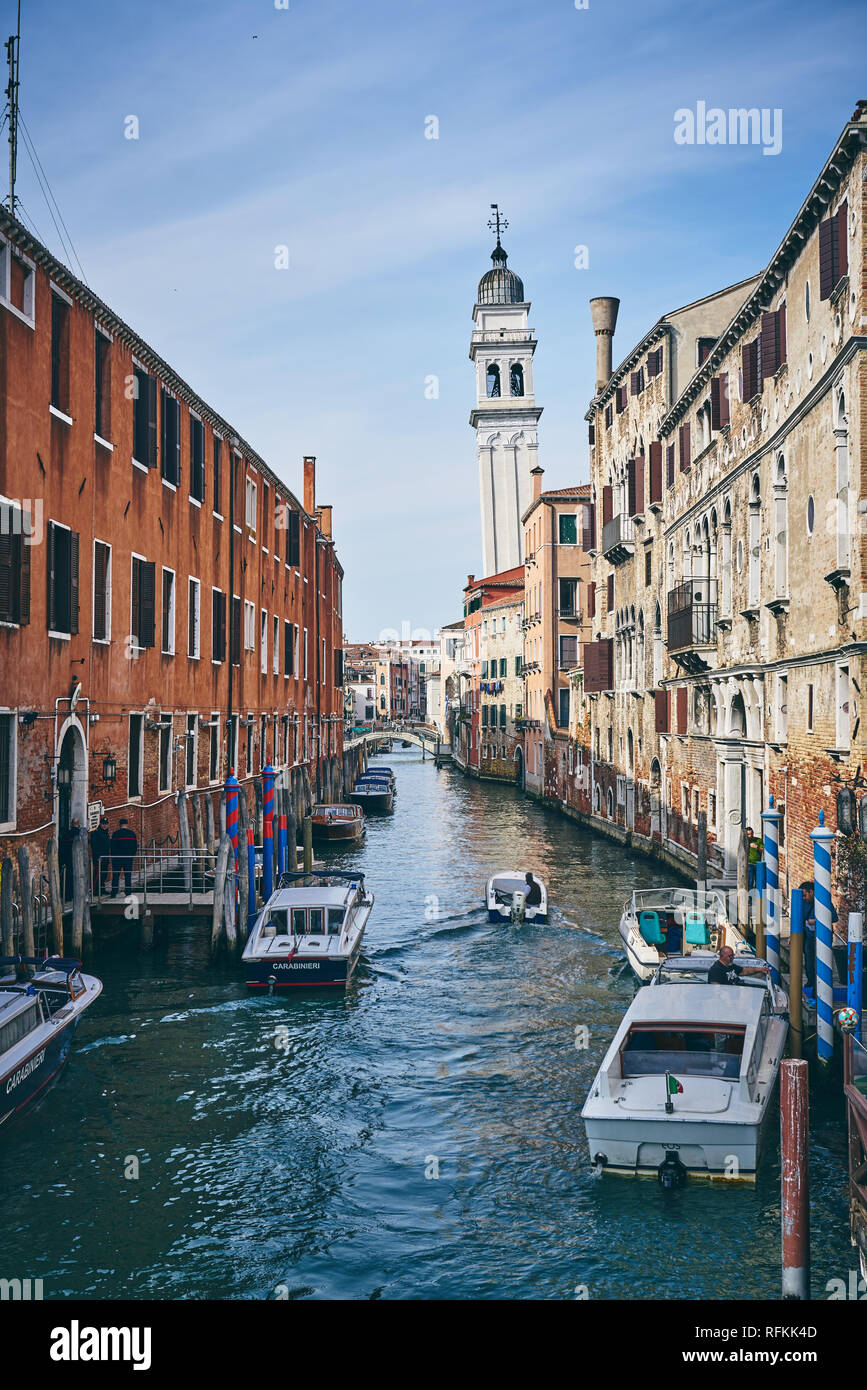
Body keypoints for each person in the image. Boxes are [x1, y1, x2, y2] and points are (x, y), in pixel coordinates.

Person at [799, 880, 838, 1003]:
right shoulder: (804, 903)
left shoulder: (823, 901)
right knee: (809, 964)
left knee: (820, 965)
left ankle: (819, 991)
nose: (804, 898)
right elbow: (799, 918)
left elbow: (834, 917)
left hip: (822, 939)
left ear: (811, 892)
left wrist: (816, 921)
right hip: (808, 937)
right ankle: (811, 983)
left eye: (805, 895)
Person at [110, 818, 138, 897]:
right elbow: (135, 846)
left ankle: (114, 892)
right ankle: (128, 892)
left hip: (117, 858)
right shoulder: (132, 834)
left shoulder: (116, 834)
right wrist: (132, 855)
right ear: (127, 824)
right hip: (128, 858)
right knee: (128, 875)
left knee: (116, 875)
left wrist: (113, 856)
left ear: (120, 825)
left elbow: (112, 846)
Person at [58, 817, 82, 903]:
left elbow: (63, 848)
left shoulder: (66, 834)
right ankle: (77, 895)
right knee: (79, 878)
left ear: (71, 825)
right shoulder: (80, 834)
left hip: (68, 859)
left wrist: (62, 861)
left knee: (68, 878)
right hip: (79, 860)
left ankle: (68, 896)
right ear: (78, 824)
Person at [90, 815, 111, 895]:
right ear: (100, 824)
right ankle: (95, 890)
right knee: (97, 874)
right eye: (103, 824)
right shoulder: (96, 833)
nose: (104, 825)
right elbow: (94, 846)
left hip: (105, 856)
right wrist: (97, 856)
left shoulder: (106, 833)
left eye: (106, 824)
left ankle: (102, 889)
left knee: (104, 874)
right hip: (99, 857)